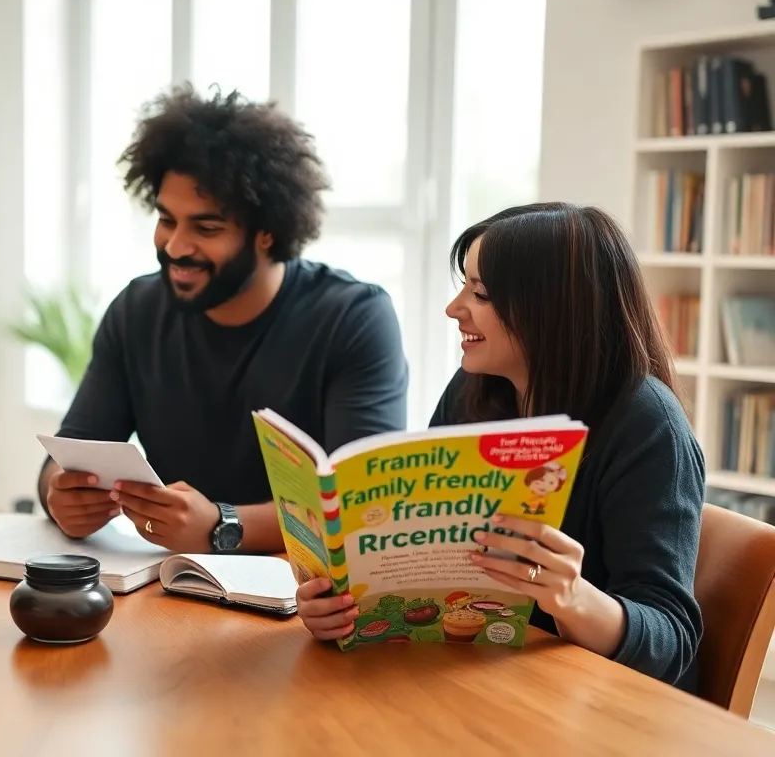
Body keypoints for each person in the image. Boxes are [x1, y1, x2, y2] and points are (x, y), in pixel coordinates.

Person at [294, 202, 704, 692]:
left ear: (552, 309)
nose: (454, 308)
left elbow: (670, 642)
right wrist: (338, 607)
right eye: (463, 284)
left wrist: (572, 596)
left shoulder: (648, 424)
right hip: (475, 675)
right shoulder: (475, 391)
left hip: (591, 705)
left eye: (481, 292)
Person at [38, 84, 408, 555]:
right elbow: (68, 454)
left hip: (303, 595)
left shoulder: (352, 318)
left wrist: (222, 525)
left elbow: (364, 505)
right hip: (173, 587)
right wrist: (62, 494)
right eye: (167, 219)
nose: (174, 246)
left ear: (268, 234)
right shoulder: (136, 312)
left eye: (206, 228)